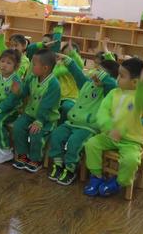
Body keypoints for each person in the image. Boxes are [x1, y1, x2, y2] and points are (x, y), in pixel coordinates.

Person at [84, 58, 143, 197]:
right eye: (118, 75)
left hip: (131, 141)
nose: (117, 78)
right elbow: (102, 113)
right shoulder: (113, 93)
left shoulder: (138, 97)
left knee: (131, 160)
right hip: (109, 135)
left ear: (134, 82)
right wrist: (109, 129)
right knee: (91, 144)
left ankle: (119, 183)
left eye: (122, 76)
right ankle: (96, 176)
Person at [48, 55, 118, 185]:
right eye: (97, 70)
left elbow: (113, 84)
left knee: (74, 143)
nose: (96, 74)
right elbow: (77, 73)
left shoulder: (108, 92)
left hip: (88, 127)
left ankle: (70, 169)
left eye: (101, 73)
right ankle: (58, 164)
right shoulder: (87, 84)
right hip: (72, 122)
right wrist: (68, 60)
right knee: (56, 135)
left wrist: (103, 78)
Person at [11, 49, 61, 173]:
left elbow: (46, 106)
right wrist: (18, 91)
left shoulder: (54, 84)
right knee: (18, 127)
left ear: (45, 68)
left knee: (36, 133)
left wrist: (39, 121)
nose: (31, 66)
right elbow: (24, 93)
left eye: (34, 64)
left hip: (46, 118)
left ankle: (35, 159)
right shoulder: (32, 77)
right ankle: (23, 155)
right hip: (29, 114)